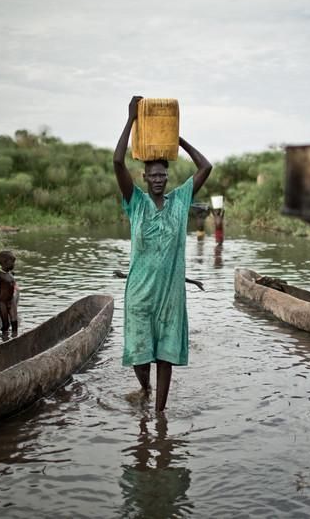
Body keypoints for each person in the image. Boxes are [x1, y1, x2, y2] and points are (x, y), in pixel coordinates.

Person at [113, 95, 212, 412]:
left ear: (168, 178)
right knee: (140, 356)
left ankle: (159, 414)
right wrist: (130, 119)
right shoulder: (136, 202)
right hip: (140, 294)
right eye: (152, 175)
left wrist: (175, 138)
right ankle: (144, 387)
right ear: (144, 178)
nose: (157, 179)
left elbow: (206, 166)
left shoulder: (181, 201)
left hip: (170, 294)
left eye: (162, 175)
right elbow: (117, 162)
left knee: (165, 355)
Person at [0, 250, 19, 334]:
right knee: (5, 325)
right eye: (12, 262)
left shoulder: (10, 273)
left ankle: (14, 337)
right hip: (2, 303)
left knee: (14, 322)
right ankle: (4, 337)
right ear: (4, 263)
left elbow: (13, 282)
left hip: (11, 301)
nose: (14, 265)